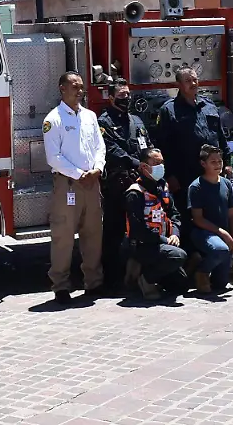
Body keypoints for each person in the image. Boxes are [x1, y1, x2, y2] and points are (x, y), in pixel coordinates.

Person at [42, 71, 106, 305]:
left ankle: (93, 282)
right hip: (68, 185)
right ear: (62, 89)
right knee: (63, 236)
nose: (79, 91)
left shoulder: (90, 116)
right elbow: (53, 157)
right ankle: (60, 286)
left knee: (93, 234)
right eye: (74, 87)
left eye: (81, 87)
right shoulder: (54, 119)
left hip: (92, 183)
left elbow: (100, 147)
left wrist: (97, 169)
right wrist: (79, 174)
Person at [97, 78, 153, 290]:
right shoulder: (103, 123)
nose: (126, 99)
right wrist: (137, 164)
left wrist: (153, 161)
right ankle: (111, 279)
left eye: (128, 95)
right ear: (111, 98)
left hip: (140, 185)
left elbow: (147, 144)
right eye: (121, 96)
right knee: (113, 232)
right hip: (117, 186)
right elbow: (111, 151)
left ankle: (140, 275)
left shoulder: (137, 121)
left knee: (140, 229)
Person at [155, 68, 233, 217]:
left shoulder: (209, 105)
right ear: (178, 84)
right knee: (187, 217)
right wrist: (170, 175)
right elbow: (162, 145)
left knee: (214, 214)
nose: (193, 83)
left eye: (195, 79)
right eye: (188, 81)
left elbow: (221, 137)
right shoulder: (169, 110)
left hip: (211, 173)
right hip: (185, 176)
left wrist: (227, 163)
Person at [124, 147, 187, 300]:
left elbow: (175, 214)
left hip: (163, 243)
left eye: (162, 163)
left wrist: (174, 234)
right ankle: (144, 279)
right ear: (144, 167)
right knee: (178, 256)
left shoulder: (162, 187)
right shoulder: (135, 193)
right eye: (156, 163)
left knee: (181, 285)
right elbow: (137, 230)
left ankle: (152, 274)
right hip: (142, 245)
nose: (161, 167)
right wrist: (165, 240)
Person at [187, 145, 233, 293]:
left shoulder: (226, 183)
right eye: (213, 162)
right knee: (220, 250)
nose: (218, 165)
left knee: (220, 284)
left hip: (223, 234)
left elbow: (231, 215)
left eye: (220, 161)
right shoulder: (196, 187)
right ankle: (201, 272)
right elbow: (198, 219)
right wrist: (222, 233)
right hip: (203, 233)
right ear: (203, 164)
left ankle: (201, 264)